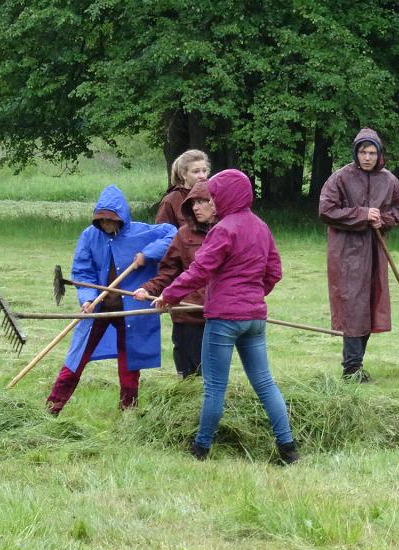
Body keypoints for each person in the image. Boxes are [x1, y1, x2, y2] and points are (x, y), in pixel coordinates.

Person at [153, 169, 297, 465]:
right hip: (254, 319)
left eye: (216, 196)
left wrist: (168, 295)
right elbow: (274, 273)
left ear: (228, 196)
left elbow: (199, 270)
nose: (213, 202)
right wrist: (253, 296)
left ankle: (200, 449)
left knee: (214, 387)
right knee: (265, 383)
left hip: (223, 320)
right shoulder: (261, 227)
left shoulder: (223, 229)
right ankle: (288, 448)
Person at [46, 185, 176, 415]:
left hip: (130, 311)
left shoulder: (140, 232)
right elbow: (83, 271)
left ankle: (128, 414)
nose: (107, 225)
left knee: (129, 365)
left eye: (111, 220)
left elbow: (173, 234)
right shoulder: (89, 236)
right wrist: (87, 299)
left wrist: (147, 255)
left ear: (122, 218)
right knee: (76, 360)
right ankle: (52, 408)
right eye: (102, 220)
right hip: (98, 310)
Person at [318, 128, 399, 383]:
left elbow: (398, 210)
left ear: (379, 154)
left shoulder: (389, 180)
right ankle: (352, 368)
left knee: (370, 303)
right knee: (353, 306)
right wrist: (361, 214)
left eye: (372, 152)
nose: (367, 157)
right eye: (362, 152)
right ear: (355, 153)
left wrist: (383, 220)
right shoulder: (340, 178)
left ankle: (356, 365)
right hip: (347, 251)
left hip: (375, 249)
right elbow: (326, 210)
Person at [134, 181, 214, 378]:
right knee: (188, 374)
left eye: (202, 201)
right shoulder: (183, 235)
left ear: (215, 203)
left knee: (212, 374)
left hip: (217, 314)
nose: (196, 207)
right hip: (186, 313)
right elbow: (168, 272)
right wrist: (148, 289)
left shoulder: (227, 232)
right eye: (192, 203)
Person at [155, 149, 210, 227]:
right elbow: (162, 233)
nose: (202, 176)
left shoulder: (212, 195)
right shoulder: (171, 200)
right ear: (183, 174)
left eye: (204, 171)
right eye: (196, 171)